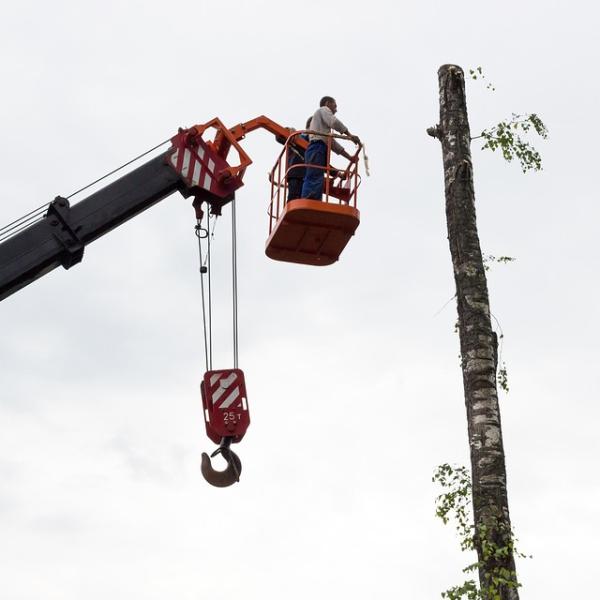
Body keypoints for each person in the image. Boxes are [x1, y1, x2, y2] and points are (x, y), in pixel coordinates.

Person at [301, 96, 360, 200]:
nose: (336, 110)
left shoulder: (323, 131)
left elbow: (333, 144)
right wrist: (349, 135)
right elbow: (334, 122)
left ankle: (314, 201)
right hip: (316, 147)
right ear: (328, 103)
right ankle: (309, 199)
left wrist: (350, 158)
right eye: (335, 106)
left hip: (319, 149)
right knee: (314, 175)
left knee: (317, 177)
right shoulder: (323, 110)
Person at [285, 117, 311, 201]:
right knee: (294, 199)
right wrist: (289, 130)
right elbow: (279, 137)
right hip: (296, 174)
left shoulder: (316, 144)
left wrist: (335, 173)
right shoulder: (299, 137)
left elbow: (322, 162)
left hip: (307, 177)